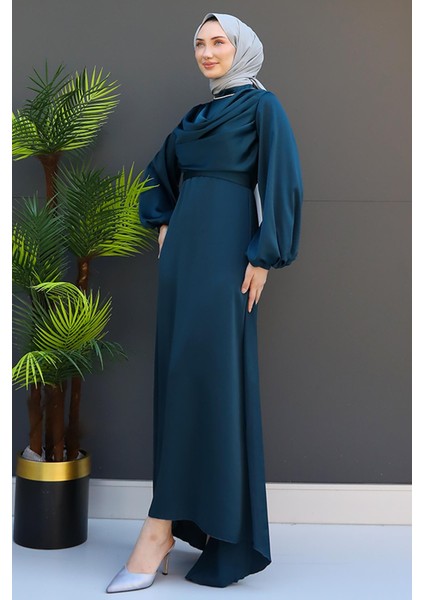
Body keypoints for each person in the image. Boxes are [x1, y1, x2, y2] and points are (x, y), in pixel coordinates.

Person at [106, 11, 303, 593]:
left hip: (226, 261)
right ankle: (164, 527)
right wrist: (165, 218)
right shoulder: (194, 117)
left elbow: (284, 181)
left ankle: (167, 531)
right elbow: (155, 175)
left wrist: (264, 255)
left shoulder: (263, 108)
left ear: (242, 48)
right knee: (179, 380)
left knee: (214, 381)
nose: (208, 51)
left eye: (219, 42)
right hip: (182, 263)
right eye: (200, 42)